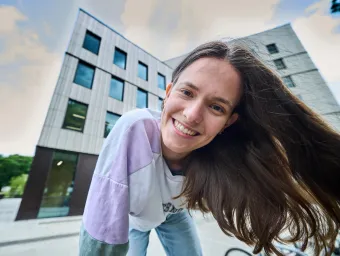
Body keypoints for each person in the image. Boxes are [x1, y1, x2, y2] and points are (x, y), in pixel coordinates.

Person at [79, 41, 340, 256]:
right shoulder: (135, 129)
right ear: (168, 93)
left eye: (217, 107)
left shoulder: (221, 153)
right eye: (187, 93)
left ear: (229, 122)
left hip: (173, 216)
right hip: (134, 219)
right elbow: (103, 223)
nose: (192, 115)